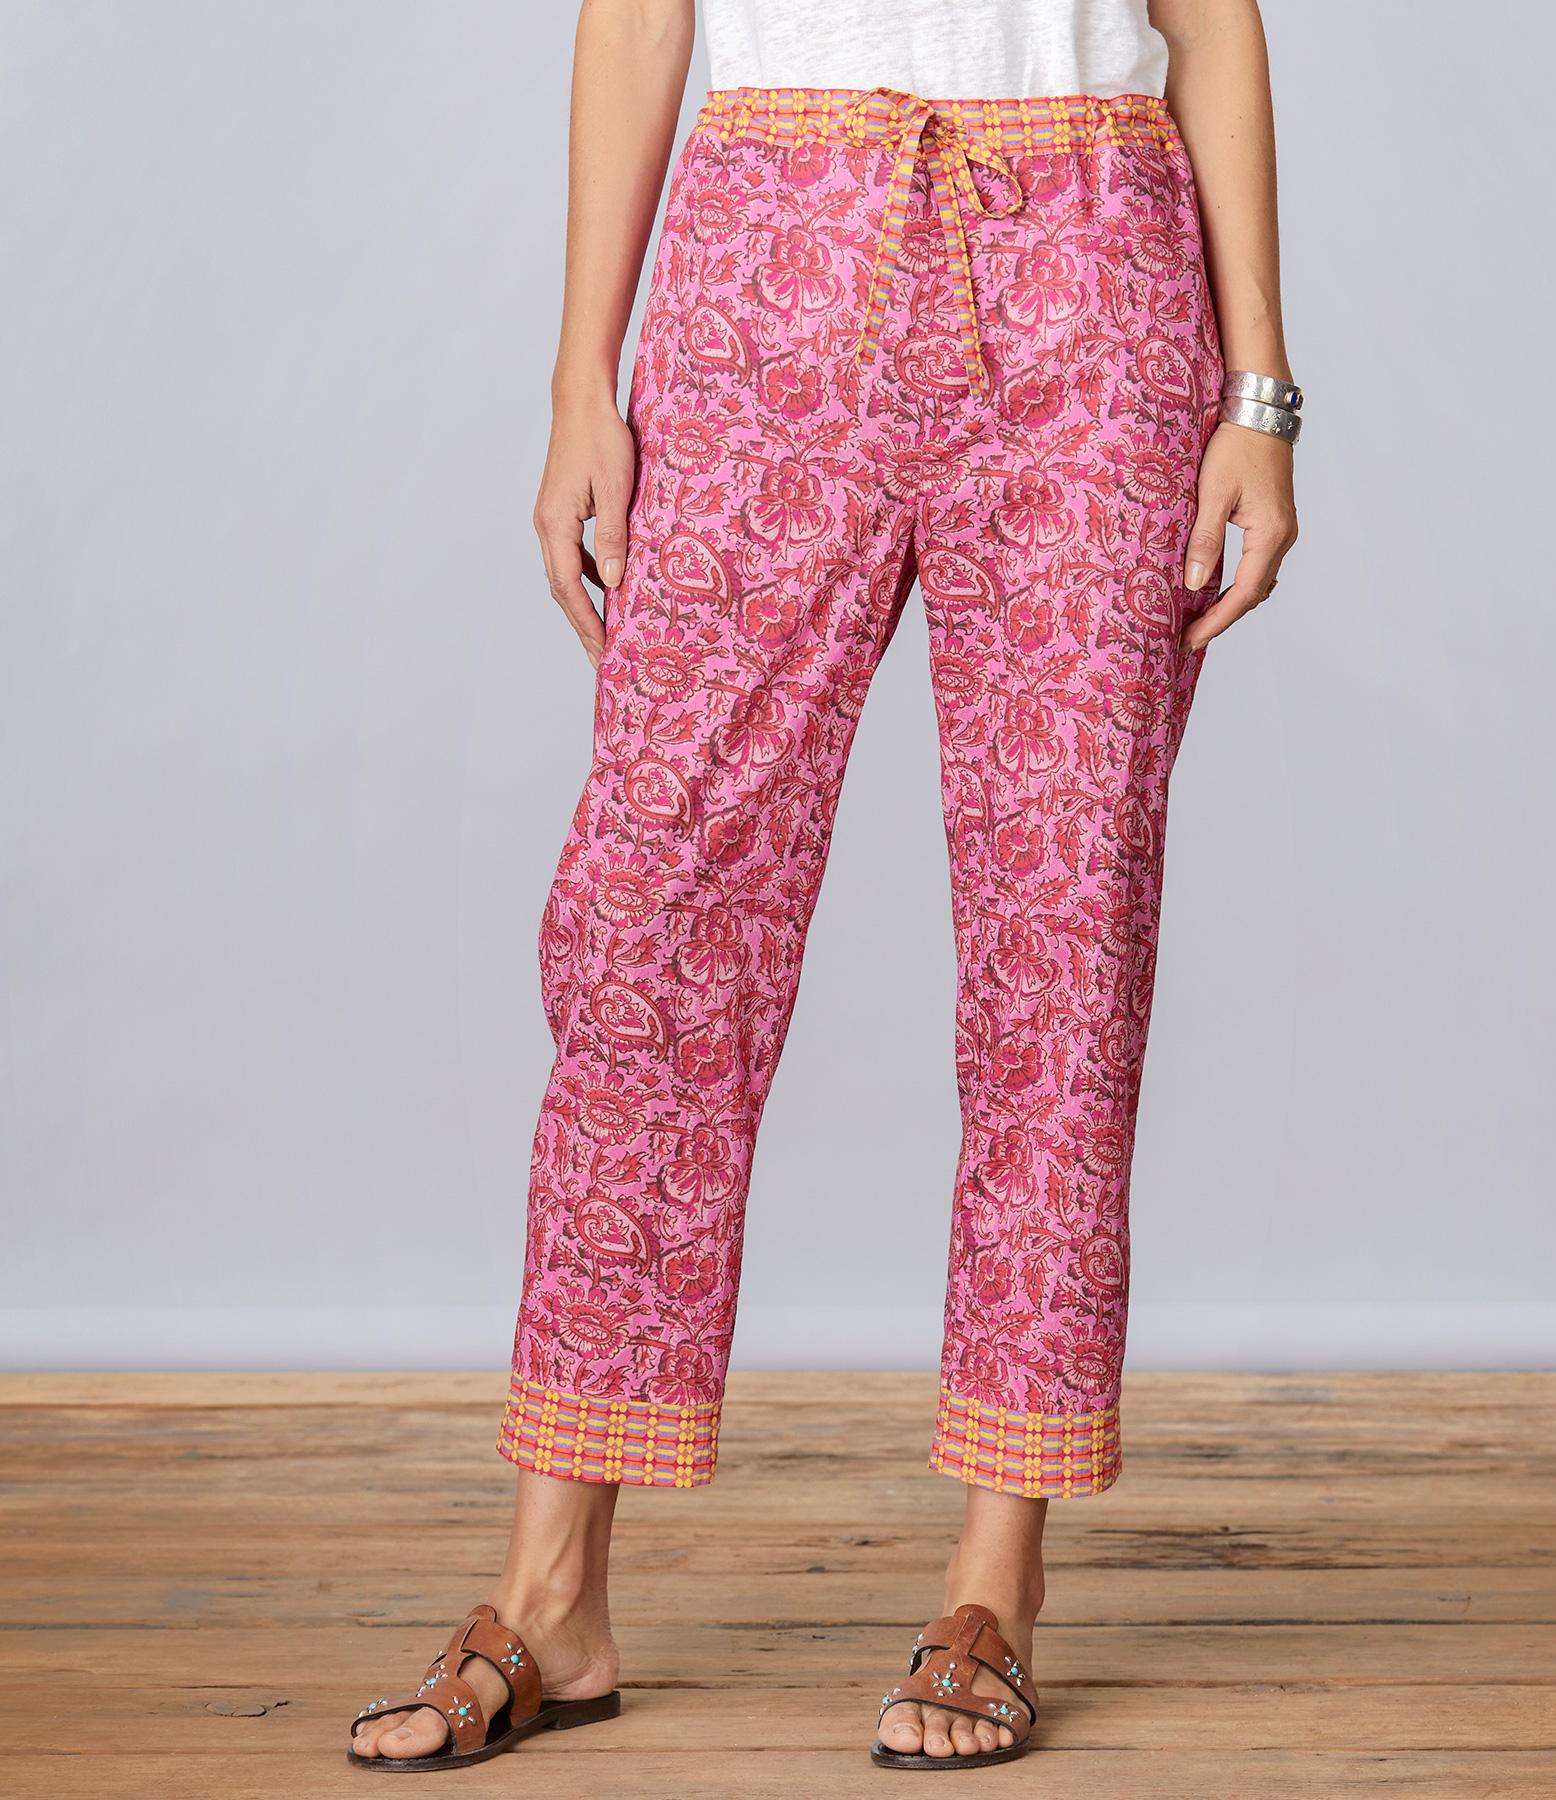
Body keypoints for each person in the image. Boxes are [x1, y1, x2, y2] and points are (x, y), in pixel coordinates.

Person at [349, 0, 1297, 1772]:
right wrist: (580, 381)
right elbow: (641, 15)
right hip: (764, 258)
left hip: (1092, 272)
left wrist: (1262, 396)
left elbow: (1213, 22)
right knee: (650, 916)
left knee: (1064, 929)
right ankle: (552, 1597)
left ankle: (995, 1581)